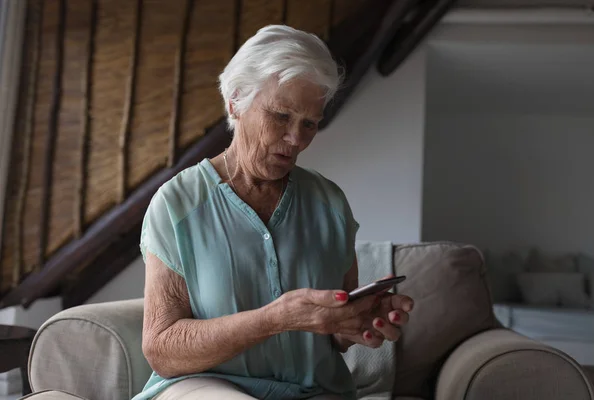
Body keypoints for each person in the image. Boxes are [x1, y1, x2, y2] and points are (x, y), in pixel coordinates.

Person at [133, 25, 414, 400]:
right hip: (211, 389)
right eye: (281, 115)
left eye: (310, 123)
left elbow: (337, 333)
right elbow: (163, 349)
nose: (297, 139)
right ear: (235, 101)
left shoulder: (330, 204)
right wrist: (275, 319)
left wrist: (358, 323)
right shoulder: (178, 203)